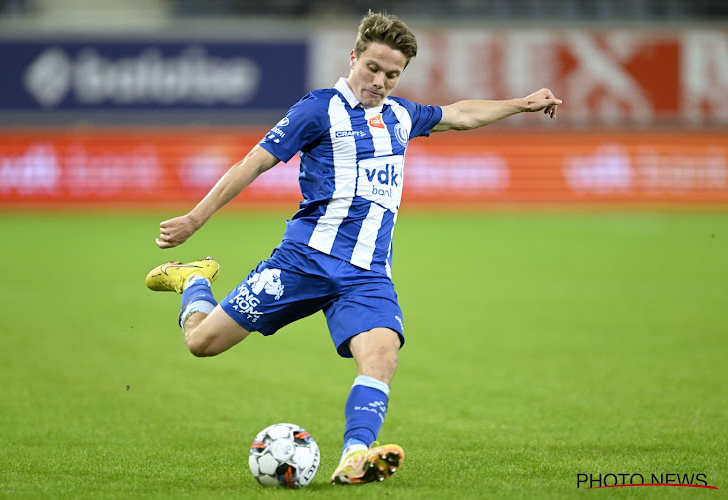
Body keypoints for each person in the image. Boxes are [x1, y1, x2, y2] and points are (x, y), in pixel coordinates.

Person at [145, 10, 561, 486]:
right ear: (353, 58)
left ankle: (355, 456)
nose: (379, 81)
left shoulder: (402, 116)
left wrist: (522, 103)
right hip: (302, 262)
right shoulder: (317, 109)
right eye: (373, 68)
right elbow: (252, 163)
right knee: (202, 344)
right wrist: (196, 218)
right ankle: (194, 279)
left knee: (382, 356)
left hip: (366, 275)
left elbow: (461, 114)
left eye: (392, 74)